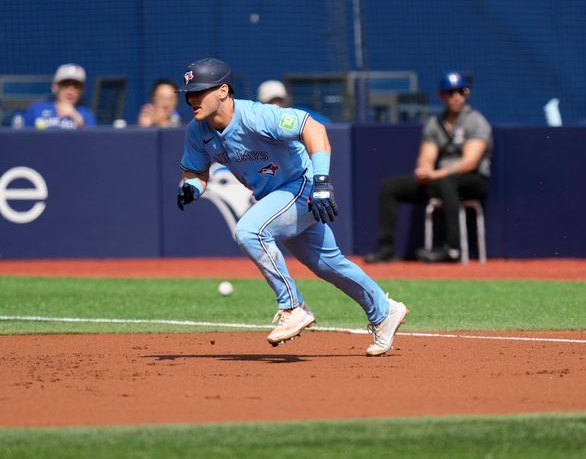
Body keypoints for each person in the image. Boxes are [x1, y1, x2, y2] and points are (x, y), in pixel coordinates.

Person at [175, 58, 408, 356]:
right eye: (189, 93)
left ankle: (292, 306)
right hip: (274, 198)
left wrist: (322, 181)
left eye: (199, 91)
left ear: (223, 91)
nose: (191, 99)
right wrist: (193, 188)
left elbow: (314, 130)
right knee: (328, 264)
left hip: (301, 185)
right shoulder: (198, 131)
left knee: (249, 231)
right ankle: (383, 311)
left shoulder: (256, 116)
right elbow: (196, 171)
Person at [365, 71, 493, 264]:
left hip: (472, 180)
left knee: (447, 182)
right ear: (441, 96)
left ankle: (451, 249)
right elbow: (427, 156)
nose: (456, 97)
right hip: (440, 179)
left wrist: (435, 174)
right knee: (391, 186)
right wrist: (424, 171)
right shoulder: (435, 123)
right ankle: (386, 248)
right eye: (450, 92)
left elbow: (470, 162)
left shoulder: (476, 121)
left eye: (461, 91)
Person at [23, 63, 96, 129]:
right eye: (65, 84)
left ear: (82, 91)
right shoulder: (36, 110)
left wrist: (76, 117)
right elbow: (21, 139)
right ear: (54, 87)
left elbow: (93, 141)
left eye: (76, 86)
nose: (70, 92)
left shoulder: (86, 115)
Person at [256, 79, 330, 124]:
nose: (276, 105)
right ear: (262, 103)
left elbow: (329, 126)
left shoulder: (300, 115)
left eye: (279, 100)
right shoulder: (255, 122)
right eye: (271, 101)